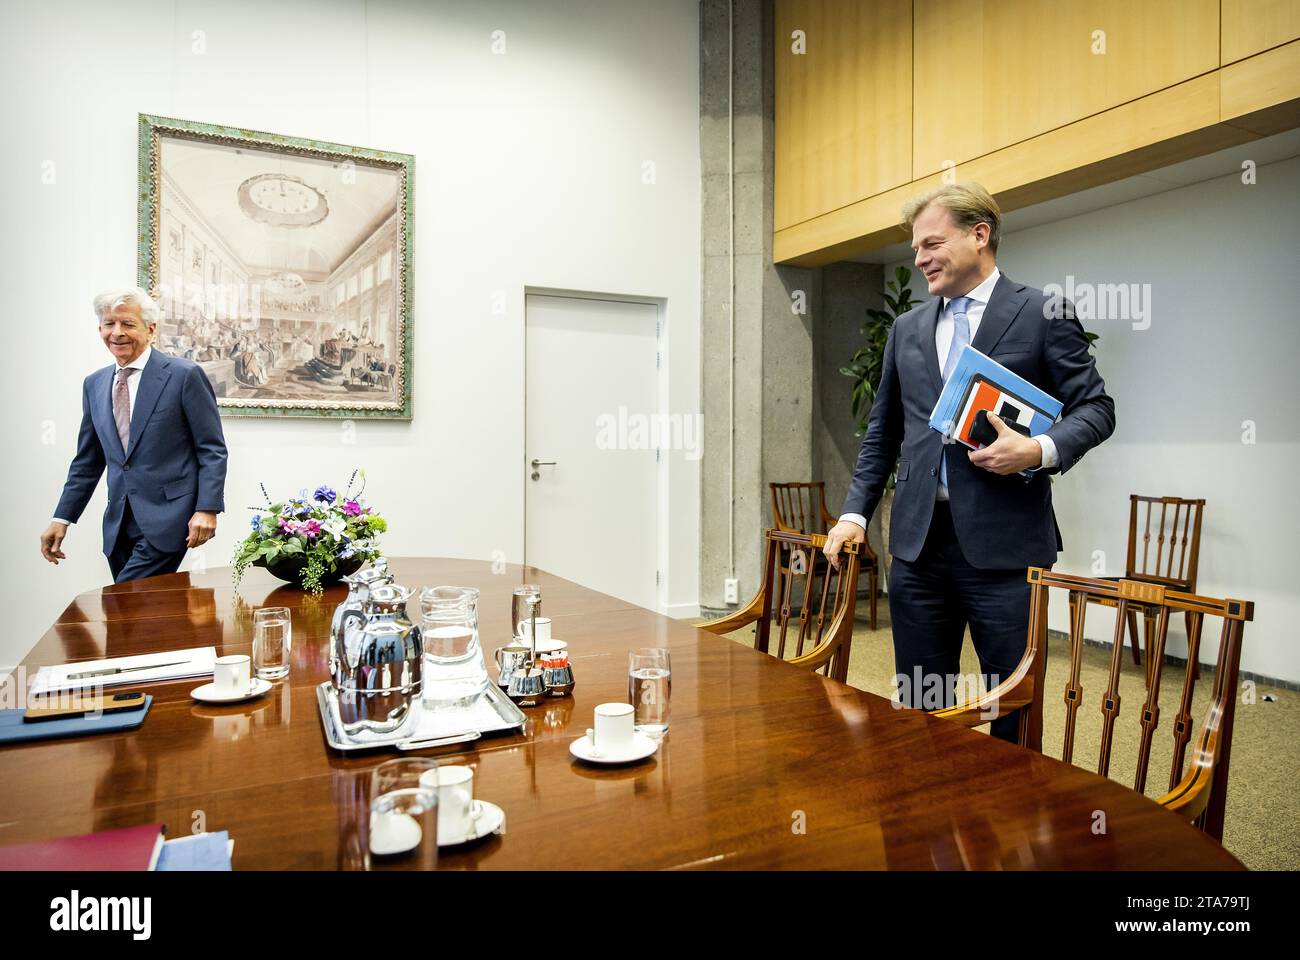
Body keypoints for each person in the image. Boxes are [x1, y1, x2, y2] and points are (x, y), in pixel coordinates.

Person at [823, 183, 1115, 742]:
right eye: (915, 249)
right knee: (922, 701)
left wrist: (1038, 449)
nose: (919, 259)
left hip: (1005, 552)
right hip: (916, 548)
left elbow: (1097, 408)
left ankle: (1010, 824)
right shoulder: (906, 329)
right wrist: (854, 515)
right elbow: (883, 434)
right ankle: (929, 818)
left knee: (1009, 705)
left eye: (932, 243)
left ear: (980, 235)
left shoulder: (1041, 313)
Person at [40, 288, 229, 583]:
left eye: (127, 324)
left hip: (170, 517)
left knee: (124, 602)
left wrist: (207, 508)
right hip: (118, 524)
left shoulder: (184, 375)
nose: (117, 333)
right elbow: (88, 461)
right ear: (100, 329)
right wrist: (62, 517)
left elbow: (211, 449)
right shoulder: (94, 384)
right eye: (109, 324)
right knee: (140, 620)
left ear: (150, 329)